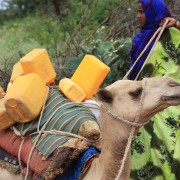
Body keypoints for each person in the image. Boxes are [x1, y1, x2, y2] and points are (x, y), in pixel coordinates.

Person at [128, 0, 180, 179]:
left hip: (171, 101)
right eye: (138, 12)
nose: (138, 16)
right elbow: (134, 74)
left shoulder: (174, 35)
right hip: (144, 101)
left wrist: (178, 24)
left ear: (154, 13)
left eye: (142, 12)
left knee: (165, 144)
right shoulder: (140, 39)